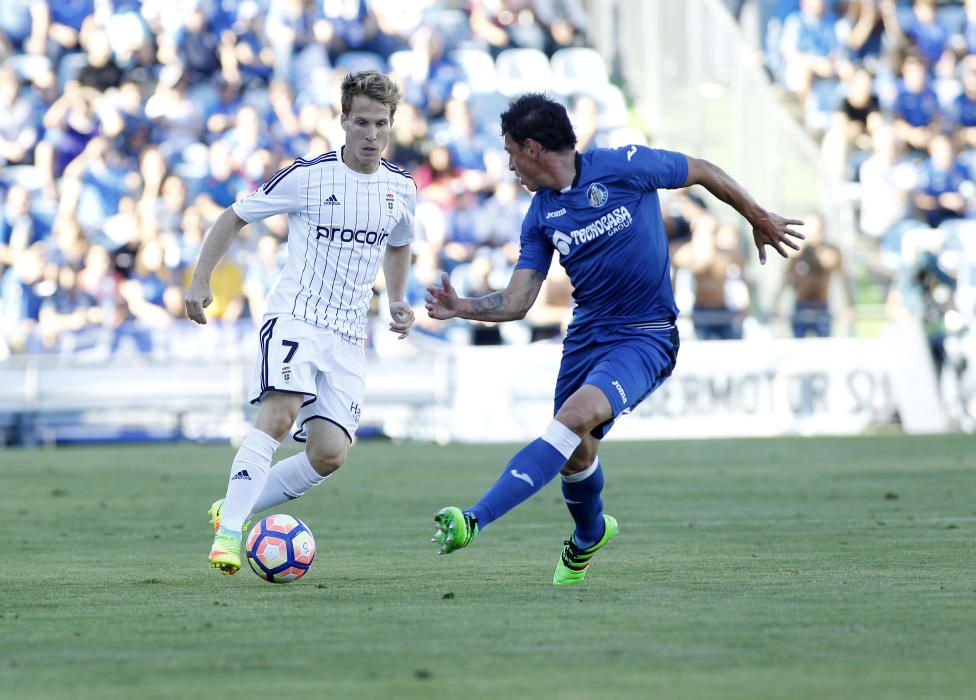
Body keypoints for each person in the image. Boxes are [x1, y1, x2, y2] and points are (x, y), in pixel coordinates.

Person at [425, 93, 803, 584]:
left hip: (644, 336)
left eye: (511, 152)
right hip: (587, 337)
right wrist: (461, 308)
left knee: (569, 421)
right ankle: (589, 535)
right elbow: (519, 301)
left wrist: (756, 215)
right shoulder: (539, 216)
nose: (509, 165)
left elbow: (703, 170)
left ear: (534, 148)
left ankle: (475, 517)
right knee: (575, 455)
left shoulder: (625, 165)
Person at [184, 70, 417, 575]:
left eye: (381, 124)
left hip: (348, 335)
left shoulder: (401, 189)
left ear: (392, 124)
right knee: (280, 412)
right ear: (343, 121)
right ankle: (227, 537)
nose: (371, 135)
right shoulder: (308, 176)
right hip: (297, 317)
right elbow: (233, 217)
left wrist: (397, 298)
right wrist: (202, 279)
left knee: (329, 454)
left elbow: (400, 243)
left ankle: (236, 506)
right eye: (361, 122)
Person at [772, 213, 855, 338]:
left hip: (821, 307)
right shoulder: (798, 252)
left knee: (823, 348)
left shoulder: (830, 251)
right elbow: (785, 279)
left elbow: (843, 277)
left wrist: (849, 304)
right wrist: (776, 305)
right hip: (801, 306)